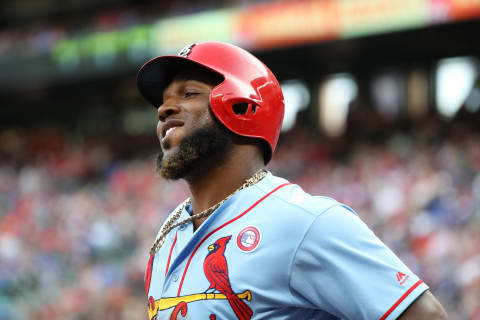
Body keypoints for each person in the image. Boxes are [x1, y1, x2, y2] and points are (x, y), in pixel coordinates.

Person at [136, 41, 447, 320]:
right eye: (162, 102)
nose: (164, 109)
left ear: (243, 105)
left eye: (189, 93)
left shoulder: (302, 221)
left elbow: (427, 316)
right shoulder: (168, 233)